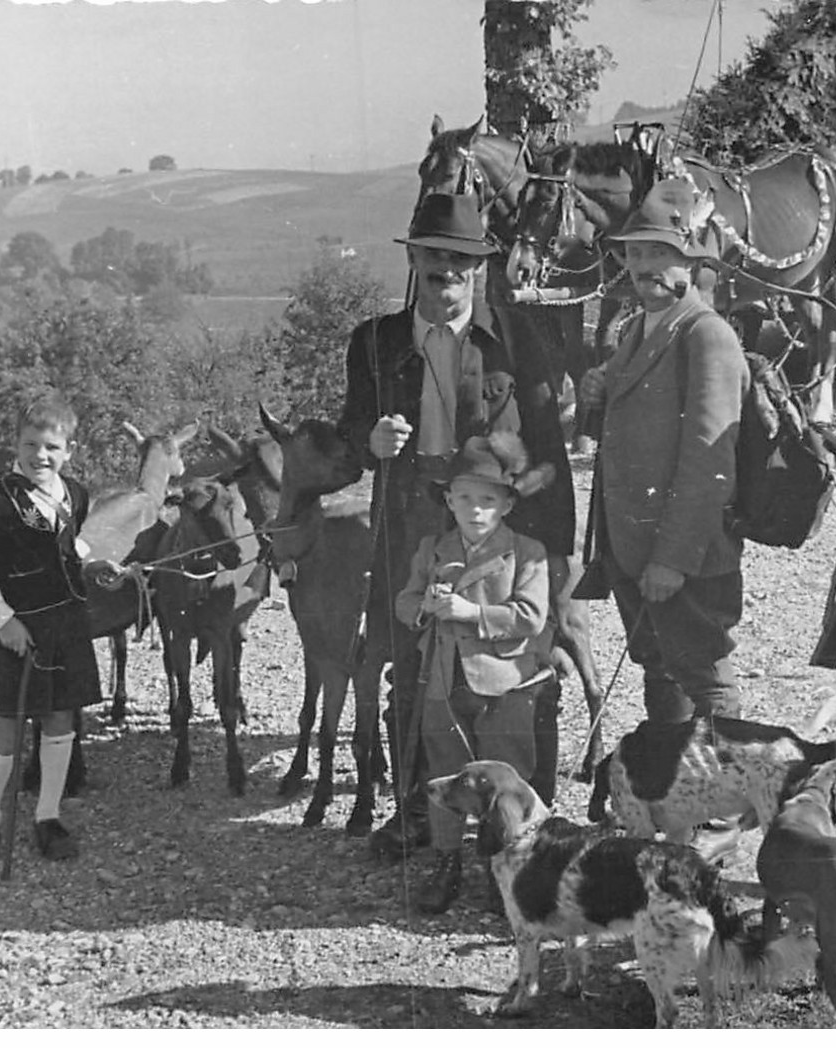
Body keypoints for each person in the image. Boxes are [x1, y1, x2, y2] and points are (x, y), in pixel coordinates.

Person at [339, 192, 572, 858]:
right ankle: (420, 811)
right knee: (410, 672)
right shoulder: (374, 343)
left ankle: (532, 822)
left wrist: (549, 555)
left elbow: (551, 451)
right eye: (434, 263)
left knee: (520, 675)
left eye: (460, 266)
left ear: (479, 270)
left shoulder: (520, 340)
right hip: (410, 532)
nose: (446, 278)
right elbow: (349, 429)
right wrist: (370, 441)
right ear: (412, 260)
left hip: (501, 536)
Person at [577, 181, 751, 726]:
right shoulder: (637, 331)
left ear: (689, 261)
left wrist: (672, 558)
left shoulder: (707, 335)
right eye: (634, 252)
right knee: (661, 668)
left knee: (704, 675)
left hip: (683, 557)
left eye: (660, 252)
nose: (643, 264)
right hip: (633, 549)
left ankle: (730, 805)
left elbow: (709, 460)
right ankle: (677, 802)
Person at [394, 433, 553, 914]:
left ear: (506, 505)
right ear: (448, 500)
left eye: (487, 500)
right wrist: (424, 606)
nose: (475, 510)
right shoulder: (433, 548)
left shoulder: (527, 552)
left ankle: (505, 868)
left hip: (506, 683)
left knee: (507, 772)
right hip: (444, 681)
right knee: (445, 775)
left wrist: (467, 612)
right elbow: (404, 603)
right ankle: (447, 863)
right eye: (464, 498)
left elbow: (531, 616)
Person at [0, 393, 102, 863]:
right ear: (14, 446)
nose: (40, 455)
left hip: (67, 623)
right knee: (10, 728)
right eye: (30, 444)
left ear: (69, 451)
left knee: (60, 721)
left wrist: (94, 565)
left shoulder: (75, 493)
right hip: (19, 626)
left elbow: (63, 546)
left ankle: (48, 816)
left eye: (51, 447)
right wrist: (5, 622)